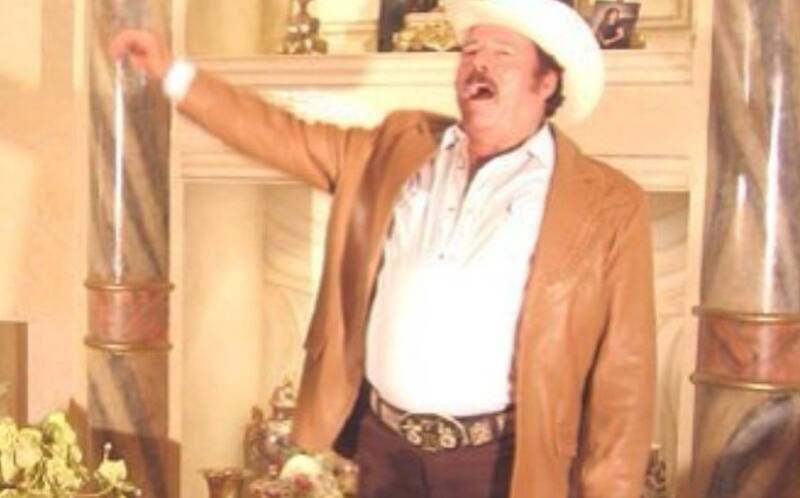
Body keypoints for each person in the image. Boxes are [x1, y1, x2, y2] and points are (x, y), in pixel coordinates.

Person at [110, 0, 655, 496]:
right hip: (386, 453)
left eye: (502, 54)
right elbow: (281, 136)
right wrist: (173, 74)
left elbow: (623, 383)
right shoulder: (400, 147)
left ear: (547, 81)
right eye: (470, 50)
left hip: (499, 467)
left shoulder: (606, 204)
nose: (478, 65)